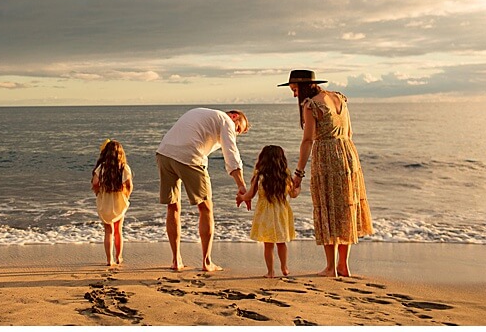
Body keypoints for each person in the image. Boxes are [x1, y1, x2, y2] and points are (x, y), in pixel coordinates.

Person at [281, 70, 371, 277]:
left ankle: (330, 267)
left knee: (327, 207)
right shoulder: (339, 98)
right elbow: (349, 132)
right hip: (349, 154)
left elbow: (307, 140)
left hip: (327, 156)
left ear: (303, 87)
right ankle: (343, 265)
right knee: (345, 208)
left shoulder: (311, 104)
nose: (295, 95)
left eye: (294, 90)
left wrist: (298, 173)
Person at [155, 107, 250, 271]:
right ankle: (207, 262)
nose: (236, 134)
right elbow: (231, 154)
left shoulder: (203, 112)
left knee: (173, 206)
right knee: (205, 208)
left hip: (164, 153)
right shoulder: (225, 120)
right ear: (234, 117)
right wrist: (241, 185)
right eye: (238, 129)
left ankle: (176, 260)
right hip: (188, 155)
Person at [238, 145, 300, 277]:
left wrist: (241, 197)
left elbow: (250, 195)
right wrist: (298, 188)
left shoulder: (259, 176)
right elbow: (293, 194)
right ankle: (284, 268)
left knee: (268, 244)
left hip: (265, 215)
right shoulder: (285, 176)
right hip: (281, 213)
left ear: (262, 159)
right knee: (281, 242)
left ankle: (270, 272)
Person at [91, 139, 133, 267]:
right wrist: (126, 195)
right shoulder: (123, 167)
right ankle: (118, 257)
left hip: (105, 202)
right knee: (118, 231)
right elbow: (129, 184)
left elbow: (95, 183)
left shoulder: (101, 167)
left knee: (108, 231)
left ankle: (109, 260)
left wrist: (98, 193)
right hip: (118, 201)